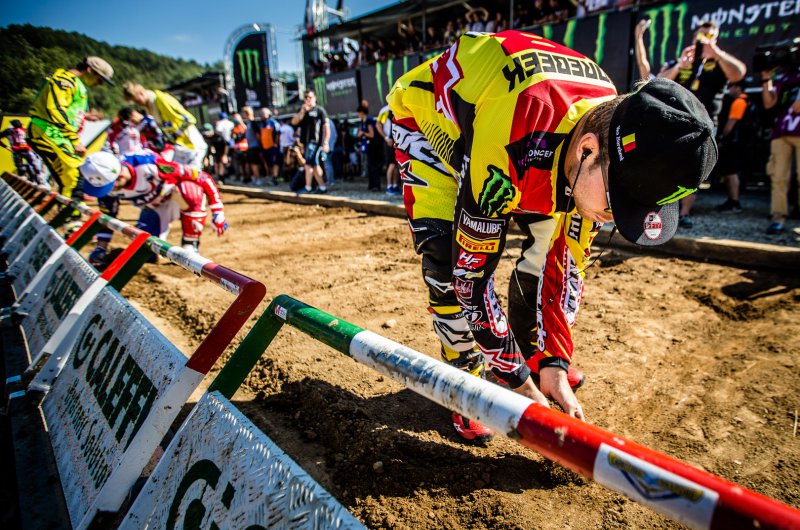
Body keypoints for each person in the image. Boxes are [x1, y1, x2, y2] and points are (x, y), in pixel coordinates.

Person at [387, 31, 717, 442]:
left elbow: (569, 263)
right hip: (434, 122)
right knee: (446, 261)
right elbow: (470, 280)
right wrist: (516, 381)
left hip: (528, 134)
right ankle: (463, 379)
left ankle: (532, 350)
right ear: (588, 150)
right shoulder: (514, 134)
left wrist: (554, 362)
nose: (613, 218)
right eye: (617, 201)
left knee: (550, 244)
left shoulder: (610, 131)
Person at [658, 20, 746, 229]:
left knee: (693, 168)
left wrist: (716, 53)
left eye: (709, 36)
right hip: (676, 121)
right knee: (668, 165)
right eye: (701, 35)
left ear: (715, 38)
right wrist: (679, 67)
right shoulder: (684, 59)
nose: (704, 40)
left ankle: (684, 213)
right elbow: (659, 82)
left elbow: (738, 73)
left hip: (704, 123)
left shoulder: (720, 62)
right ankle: (663, 209)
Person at [80, 150, 229, 265]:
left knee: (190, 189)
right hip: (152, 209)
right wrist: (100, 248)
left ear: (120, 176)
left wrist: (218, 211)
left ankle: (190, 246)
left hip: (175, 197)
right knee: (146, 253)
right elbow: (108, 217)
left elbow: (202, 177)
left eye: (110, 186)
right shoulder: (106, 188)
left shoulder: (150, 165)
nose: (108, 191)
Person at [27, 56, 114, 201]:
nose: (100, 84)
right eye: (100, 79)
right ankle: (70, 213)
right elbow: (55, 109)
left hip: (55, 133)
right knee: (73, 176)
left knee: (73, 177)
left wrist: (84, 116)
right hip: (46, 130)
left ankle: (69, 209)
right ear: (90, 70)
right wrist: (74, 141)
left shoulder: (75, 83)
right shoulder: (65, 80)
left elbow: (65, 110)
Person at [122, 82, 208, 170]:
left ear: (141, 93)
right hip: (179, 146)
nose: (138, 103)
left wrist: (175, 135)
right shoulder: (150, 106)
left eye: (137, 100)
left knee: (192, 172)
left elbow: (189, 119)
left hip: (190, 142)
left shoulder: (161, 99)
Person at [761, 61, 800, 234]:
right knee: (778, 176)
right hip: (781, 131)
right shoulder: (785, 76)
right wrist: (766, 79)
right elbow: (769, 103)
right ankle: (778, 217)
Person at [715, 80, 757, 214]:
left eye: (731, 87)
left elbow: (731, 124)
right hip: (741, 143)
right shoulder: (748, 101)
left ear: (738, 87)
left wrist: (721, 138)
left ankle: (734, 202)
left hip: (734, 143)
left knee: (731, 172)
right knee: (729, 172)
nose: (729, 89)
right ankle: (731, 200)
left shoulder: (740, 101)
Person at [290, 90, 330, 194]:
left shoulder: (319, 110)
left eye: (310, 97)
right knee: (313, 165)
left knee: (309, 164)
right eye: (306, 97)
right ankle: (321, 187)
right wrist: (302, 111)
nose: (308, 99)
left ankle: (309, 187)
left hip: (315, 141)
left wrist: (325, 142)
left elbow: (326, 127)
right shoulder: (302, 110)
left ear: (315, 98)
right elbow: (294, 122)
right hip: (305, 142)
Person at [1, 119, 45, 185]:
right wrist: (6, 147)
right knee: (21, 168)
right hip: (16, 151)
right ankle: (24, 180)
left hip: (27, 150)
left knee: (36, 166)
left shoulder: (24, 129)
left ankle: (41, 182)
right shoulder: (8, 131)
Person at [356, 105, 383, 191]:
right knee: (370, 166)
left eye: (358, 113)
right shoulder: (363, 121)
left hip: (373, 147)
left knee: (373, 166)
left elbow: (372, 134)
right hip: (368, 146)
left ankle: (376, 185)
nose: (358, 115)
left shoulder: (369, 121)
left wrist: (363, 133)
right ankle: (371, 185)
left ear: (362, 112)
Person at [376, 105, 400, 195]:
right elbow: (378, 124)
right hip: (389, 141)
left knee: (397, 164)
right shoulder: (385, 110)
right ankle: (389, 186)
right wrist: (386, 138)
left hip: (398, 140)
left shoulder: (399, 106)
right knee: (391, 164)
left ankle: (395, 185)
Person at [258, 108, 281, 186]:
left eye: (262, 114)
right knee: (268, 163)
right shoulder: (261, 124)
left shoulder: (273, 122)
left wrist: (276, 143)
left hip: (273, 147)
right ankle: (270, 177)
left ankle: (274, 178)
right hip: (265, 147)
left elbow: (277, 133)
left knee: (275, 163)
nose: (261, 115)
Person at [240, 106, 261, 185]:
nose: (242, 115)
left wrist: (260, 145)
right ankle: (255, 178)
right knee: (251, 164)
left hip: (255, 147)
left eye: (243, 113)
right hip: (250, 147)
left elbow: (258, 135)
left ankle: (258, 179)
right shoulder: (248, 123)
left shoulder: (253, 123)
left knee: (255, 164)